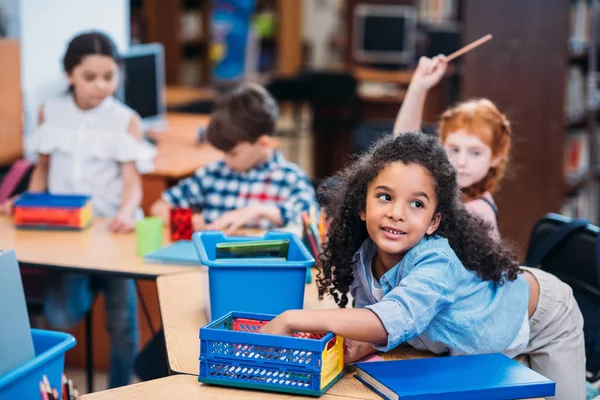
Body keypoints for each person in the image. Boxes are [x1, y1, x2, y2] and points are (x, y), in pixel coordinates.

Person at [261, 133, 586, 400]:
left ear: (434, 221)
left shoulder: (437, 261)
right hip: (484, 335)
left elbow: (389, 321)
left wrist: (292, 318)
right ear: (362, 206)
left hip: (543, 317)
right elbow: (377, 322)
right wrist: (359, 344)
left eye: (416, 204)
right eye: (385, 197)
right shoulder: (362, 256)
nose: (397, 213)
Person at [0, 31, 143, 388]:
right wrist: (30, 201)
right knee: (60, 316)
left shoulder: (125, 119)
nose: (100, 86)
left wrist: (127, 211)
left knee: (123, 325)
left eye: (109, 77)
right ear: (70, 76)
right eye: (90, 77)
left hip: (113, 232)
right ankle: (54, 386)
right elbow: (42, 170)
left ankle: (121, 389)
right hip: (65, 232)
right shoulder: (51, 111)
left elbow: (132, 183)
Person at [150, 83, 319, 233]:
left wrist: (260, 210)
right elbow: (159, 208)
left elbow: (311, 223)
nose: (227, 160)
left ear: (263, 143)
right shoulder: (213, 174)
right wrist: (195, 222)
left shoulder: (290, 178)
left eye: (233, 154)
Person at [394, 55, 512, 238]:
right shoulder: (444, 189)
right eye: (454, 150)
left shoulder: (478, 211)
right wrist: (418, 87)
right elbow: (403, 146)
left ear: (496, 156)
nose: (461, 162)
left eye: (475, 153)